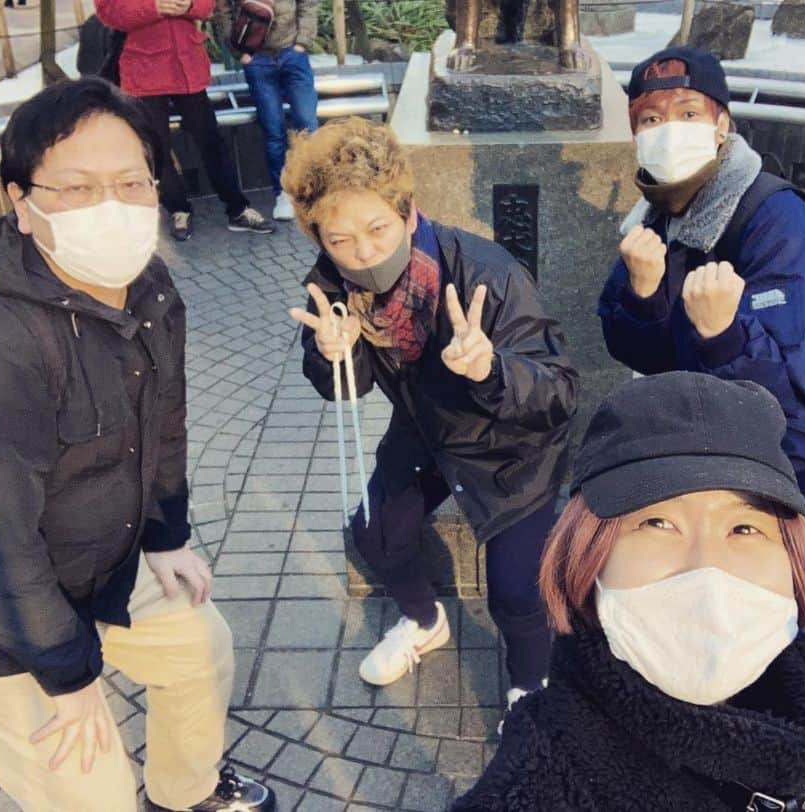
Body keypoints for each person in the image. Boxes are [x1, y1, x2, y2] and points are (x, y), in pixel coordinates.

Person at [0, 79, 273, 812]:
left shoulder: (147, 288)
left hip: (97, 559)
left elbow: (164, 418)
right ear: (22, 203)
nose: (110, 207)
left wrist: (166, 534)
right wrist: (69, 673)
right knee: (93, 792)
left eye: (130, 183)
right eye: (77, 188)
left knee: (199, 649)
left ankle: (187, 793)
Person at [454, 371, 805, 811]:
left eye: (745, 528)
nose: (706, 568)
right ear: (586, 560)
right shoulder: (545, 772)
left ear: (795, 565)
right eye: (656, 523)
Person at [283, 117, 578, 723]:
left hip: (511, 444)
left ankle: (530, 687)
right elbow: (349, 390)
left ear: (407, 210)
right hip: (426, 429)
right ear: (319, 238)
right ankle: (424, 620)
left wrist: (491, 369)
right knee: (375, 533)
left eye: (377, 229)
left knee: (517, 592)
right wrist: (335, 354)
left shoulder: (486, 273)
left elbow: (560, 391)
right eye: (340, 239)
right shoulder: (334, 287)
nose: (364, 252)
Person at [598, 46, 805, 525]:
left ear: (721, 124)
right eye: (651, 119)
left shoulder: (778, 218)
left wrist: (724, 333)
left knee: (780, 570)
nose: (669, 132)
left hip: (792, 455)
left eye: (688, 114)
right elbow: (638, 354)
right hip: (706, 443)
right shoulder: (654, 217)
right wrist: (644, 297)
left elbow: (786, 388)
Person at [95, 0, 274, 242]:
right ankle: (178, 209)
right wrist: (154, 7)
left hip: (187, 66)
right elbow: (109, 13)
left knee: (211, 142)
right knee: (157, 149)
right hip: (144, 72)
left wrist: (189, 5)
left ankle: (238, 208)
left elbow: (207, 5)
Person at [214, 0, 319, 221]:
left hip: (292, 53)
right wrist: (240, 53)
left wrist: (302, 43)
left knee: (307, 125)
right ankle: (283, 193)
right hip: (257, 58)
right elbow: (223, 10)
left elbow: (308, 3)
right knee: (273, 131)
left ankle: (313, 190)